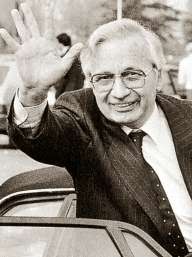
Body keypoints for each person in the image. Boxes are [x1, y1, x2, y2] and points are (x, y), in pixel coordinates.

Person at [0, 3, 192, 257]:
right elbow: (42, 136)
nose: (119, 92)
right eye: (104, 78)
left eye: (132, 75)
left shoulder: (187, 117)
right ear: (90, 80)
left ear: (156, 74)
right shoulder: (83, 114)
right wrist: (33, 93)